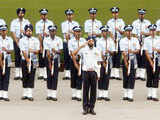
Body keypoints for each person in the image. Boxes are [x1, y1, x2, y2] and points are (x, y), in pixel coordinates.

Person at [73, 38, 101, 115]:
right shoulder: (83, 50)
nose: (91, 42)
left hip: (94, 72)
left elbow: (99, 62)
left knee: (93, 91)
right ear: (87, 42)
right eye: (89, 41)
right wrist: (81, 46)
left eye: (92, 41)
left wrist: (98, 73)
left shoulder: (97, 50)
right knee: (85, 91)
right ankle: (85, 108)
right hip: (85, 72)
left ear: (94, 42)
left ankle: (91, 108)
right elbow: (74, 54)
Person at [19, 24, 40, 101]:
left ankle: (30, 94)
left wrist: (33, 51)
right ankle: (25, 94)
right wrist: (27, 60)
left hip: (34, 60)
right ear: (25, 32)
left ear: (32, 31)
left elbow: (38, 51)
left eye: (30, 31)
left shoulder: (35, 40)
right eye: (27, 31)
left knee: (32, 76)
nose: (29, 32)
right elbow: (23, 51)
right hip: (24, 60)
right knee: (25, 75)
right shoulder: (22, 40)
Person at [120, 25, 140, 102]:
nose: (129, 32)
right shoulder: (122, 40)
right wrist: (125, 62)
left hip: (133, 59)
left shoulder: (135, 40)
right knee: (125, 76)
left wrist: (132, 51)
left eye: (130, 31)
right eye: (127, 31)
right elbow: (123, 52)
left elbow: (138, 50)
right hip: (125, 59)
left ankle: (130, 94)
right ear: (125, 32)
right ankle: (125, 94)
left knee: (132, 76)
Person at [10, 8, 30, 80]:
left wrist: (24, 32)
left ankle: (22, 73)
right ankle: (17, 73)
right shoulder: (14, 22)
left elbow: (29, 32)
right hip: (16, 41)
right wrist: (16, 41)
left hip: (24, 41)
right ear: (17, 14)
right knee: (17, 56)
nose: (21, 14)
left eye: (22, 13)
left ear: (24, 14)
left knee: (23, 56)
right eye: (19, 13)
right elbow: (12, 32)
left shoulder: (27, 22)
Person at [44, 25, 63, 101]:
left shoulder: (59, 39)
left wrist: (55, 51)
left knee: (55, 76)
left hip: (56, 59)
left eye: (54, 31)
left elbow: (60, 51)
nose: (52, 32)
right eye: (51, 31)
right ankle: (49, 94)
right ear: (49, 32)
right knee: (49, 75)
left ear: (55, 31)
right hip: (48, 58)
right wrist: (49, 59)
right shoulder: (46, 40)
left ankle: (54, 94)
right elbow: (47, 51)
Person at [96, 25, 115, 101]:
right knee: (101, 77)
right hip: (101, 60)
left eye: (106, 31)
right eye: (103, 31)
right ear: (101, 32)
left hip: (108, 60)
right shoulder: (99, 41)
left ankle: (105, 94)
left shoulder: (110, 41)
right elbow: (98, 52)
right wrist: (103, 61)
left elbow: (113, 52)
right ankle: (100, 94)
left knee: (107, 77)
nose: (105, 33)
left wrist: (109, 51)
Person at [68, 26, 86, 101]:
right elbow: (72, 53)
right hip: (73, 59)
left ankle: (78, 95)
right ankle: (73, 94)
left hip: (82, 60)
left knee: (80, 76)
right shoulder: (71, 41)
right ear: (74, 33)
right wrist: (80, 47)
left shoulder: (84, 40)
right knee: (73, 76)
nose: (78, 33)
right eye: (76, 32)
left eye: (79, 32)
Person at [132, 9, 151, 81]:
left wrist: (144, 34)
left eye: (142, 14)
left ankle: (142, 75)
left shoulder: (148, 22)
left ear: (144, 15)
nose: (141, 16)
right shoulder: (135, 22)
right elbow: (133, 33)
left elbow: (151, 32)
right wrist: (137, 38)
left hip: (145, 41)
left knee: (143, 57)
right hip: (137, 41)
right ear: (138, 15)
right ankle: (137, 74)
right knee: (137, 56)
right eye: (140, 14)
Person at [107, 7, 125, 80]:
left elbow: (123, 32)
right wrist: (113, 38)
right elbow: (109, 31)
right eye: (113, 13)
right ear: (112, 14)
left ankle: (117, 74)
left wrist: (119, 30)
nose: (115, 14)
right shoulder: (109, 22)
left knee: (118, 56)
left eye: (116, 13)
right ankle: (112, 73)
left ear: (118, 13)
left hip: (119, 40)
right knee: (112, 55)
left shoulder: (121, 21)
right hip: (112, 40)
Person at [35, 8, 54, 80]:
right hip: (41, 40)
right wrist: (40, 45)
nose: (44, 16)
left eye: (45, 14)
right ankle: (41, 73)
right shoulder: (38, 23)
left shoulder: (50, 23)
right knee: (40, 57)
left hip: (48, 42)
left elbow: (53, 33)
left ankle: (46, 73)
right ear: (40, 15)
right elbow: (38, 34)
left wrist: (48, 34)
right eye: (42, 14)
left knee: (47, 57)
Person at [61, 9, 79, 80]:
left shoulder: (76, 23)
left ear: (73, 15)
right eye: (68, 15)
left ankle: (73, 71)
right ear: (66, 16)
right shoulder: (63, 24)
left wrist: (72, 32)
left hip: (74, 42)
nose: (69, 16)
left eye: (71, 15)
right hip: (66, 42)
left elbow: (77, 33)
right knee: (66, 57)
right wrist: (72, 32)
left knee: (73, 56)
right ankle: (67, 73)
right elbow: (65, 34)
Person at [143, 24, 160, 101]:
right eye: (151, 30)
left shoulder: (159, 39)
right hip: (149, 58)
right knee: (149, 75)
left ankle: (154, 95)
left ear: (156, 31)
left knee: (156, 76)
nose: (153, 32)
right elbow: (146, 51)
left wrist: (157, 50)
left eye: (154, 30)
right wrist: (150, 61)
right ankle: (149, 94)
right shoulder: (146, 40)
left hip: (157, 58)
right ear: (149, 31)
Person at [0, 25, 13, 101]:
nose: (3, 32)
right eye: (2, 30)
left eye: (5, 30)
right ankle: (0, 94)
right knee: (0, 77)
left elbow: (11, 50)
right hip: (0, 58)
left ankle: (5, 95)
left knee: (6, 77)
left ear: (6, 31)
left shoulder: (10, 39)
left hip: (7, 59)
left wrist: (6, 50)